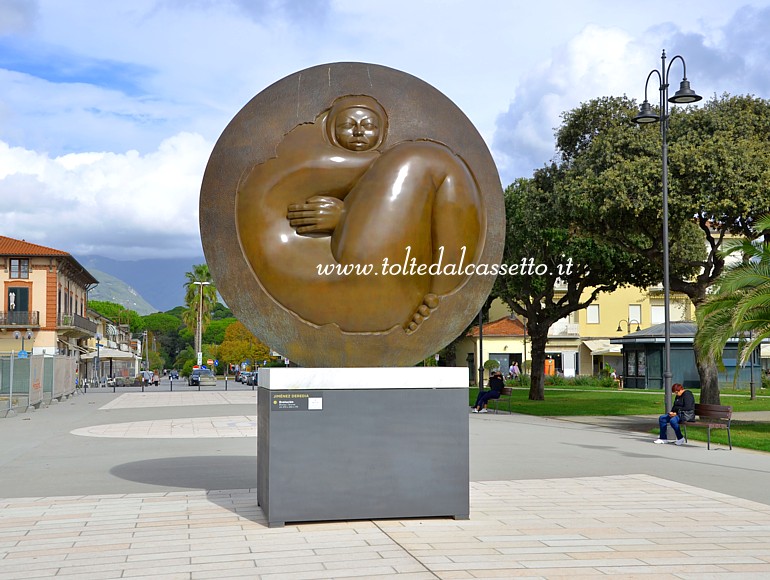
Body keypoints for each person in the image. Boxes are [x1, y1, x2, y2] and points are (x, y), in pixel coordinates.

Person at [236, 95, 483, 334]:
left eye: (368, 126)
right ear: (331, 131)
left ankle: (438, 292)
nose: (358, 132)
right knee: (432, 160)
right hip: (346, 284)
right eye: (347, 125)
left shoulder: (354, 169)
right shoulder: (326, 161)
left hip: (329, 289)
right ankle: (439, 293)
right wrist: (347, 216)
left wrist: (345, 216)